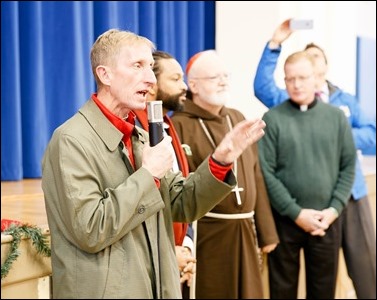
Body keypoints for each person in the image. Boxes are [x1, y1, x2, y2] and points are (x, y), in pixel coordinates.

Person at [41, 29, 267, 299]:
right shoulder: (70, 140)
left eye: (150, 67)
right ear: (104, 75)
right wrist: (148, 174)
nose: (150, 79)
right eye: (137, 66)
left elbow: (184, 204)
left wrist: (221, 159)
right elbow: (91, 228)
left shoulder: (139, 136)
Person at [253, 18, 376, 299]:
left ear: (318, 77)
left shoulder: (339, 112)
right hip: (287, 218)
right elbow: (266, 171)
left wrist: (332, 210)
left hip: (330, 215)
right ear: (285, 81)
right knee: (281, 288)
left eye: (303, 77)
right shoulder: (275, 114)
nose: (296, 84)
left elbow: (348, 163)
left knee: (331, 284)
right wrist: (296, 213)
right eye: (290, 79)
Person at [171, 49, 279, 299]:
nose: (223, 81)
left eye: (225, 76)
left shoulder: (237, 117)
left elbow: (256, 174)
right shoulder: (179, 125)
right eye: (214, 77)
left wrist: (267, 230)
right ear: (194, 85)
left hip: (244, 229)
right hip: (207, 233)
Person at [133, 50, 196, 296]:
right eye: (175, 79)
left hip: (177, 254)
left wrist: (186, 246)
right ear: (150, 85)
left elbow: (180, 191)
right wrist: (170, 252)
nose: (184, 87)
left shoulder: (168, 125)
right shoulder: (135, 133)